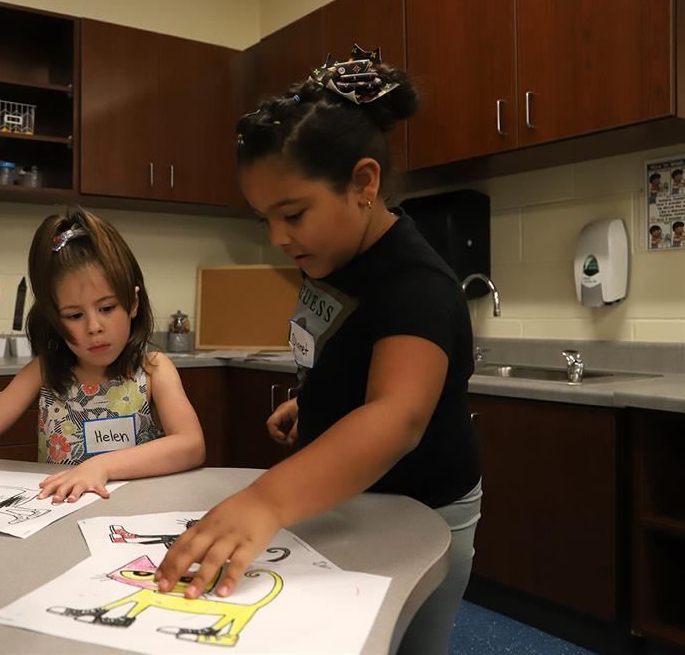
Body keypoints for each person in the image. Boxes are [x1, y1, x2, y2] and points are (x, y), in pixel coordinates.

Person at [156, 47, 481, 654]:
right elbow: (347, 348)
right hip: (356, 497)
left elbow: (396, 416)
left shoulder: (417, 285)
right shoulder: (329, 254)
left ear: (364, 184)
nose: (279, 238)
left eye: (294, 213)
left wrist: (268, 498)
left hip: (426, 512)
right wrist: (319, 400)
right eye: (264, 220)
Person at [0, 209, 205, 502]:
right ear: (54, 320)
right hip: (58, 516)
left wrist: (101, 466)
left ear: (133, 302)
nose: (94, 327)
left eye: (107, 308)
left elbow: (191, 444)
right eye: (75, 315)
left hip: (135, 513)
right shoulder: (44, 371)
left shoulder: (153, 369)